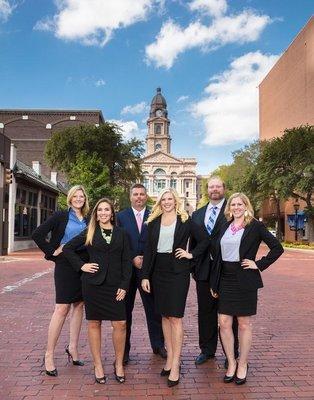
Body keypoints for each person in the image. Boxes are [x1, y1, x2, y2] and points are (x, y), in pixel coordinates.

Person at [210, 193, 284, 385]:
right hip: (225, 278)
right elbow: (217, 256)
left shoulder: (255, 226)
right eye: (233, 204)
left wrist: (258, 264)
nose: (236, 207)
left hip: (244, 277)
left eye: (239, 204)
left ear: (246, 206)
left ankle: (242, 364)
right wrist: (214, 282)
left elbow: (277, 247)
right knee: (224, 322)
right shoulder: (224, 226)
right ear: (229, 208)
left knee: (244, 323)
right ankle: (231, 363)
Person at [141, 188, 209, 387]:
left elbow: (205, 240)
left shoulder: (186, 220)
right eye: (164, 199)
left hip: (178, 272)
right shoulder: (153, 222)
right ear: (160, 202)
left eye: (170, 199)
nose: (167, 202)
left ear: (175, 201)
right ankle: (170, 358)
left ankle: (177, 364)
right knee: (164, 315)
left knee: (176, 317)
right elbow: (148, 250)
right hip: (157, 272)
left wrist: (191, 255)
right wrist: (145, 275)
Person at [63, 198, 131, 384]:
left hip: (116, 286)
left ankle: (118, 364)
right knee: (94, 324)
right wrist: (82, 266)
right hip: (93, 285)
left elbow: (127, 261)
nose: (103, 213)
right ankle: (98, 365)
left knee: (120, 324)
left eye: (106, 209)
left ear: (112, 213)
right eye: (100, 210)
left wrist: (124, 285)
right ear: (96, 213)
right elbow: (68, 249)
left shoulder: (122, 234)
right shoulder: (90, 232)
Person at [32, 185, 89, 376]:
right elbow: (37, 234)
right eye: (76, 196)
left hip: (83, 264)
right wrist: (51, 252)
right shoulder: (60, 216)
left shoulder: (89, 219)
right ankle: (49, 355)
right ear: (70, 198)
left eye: (82, 196)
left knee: (79, 305)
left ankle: (73, 348)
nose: (79, 199)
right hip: (65, 265)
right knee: (62, 308)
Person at [191, 176, 239, 366]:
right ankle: (207, 350)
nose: (215, 189)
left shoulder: (233, 211)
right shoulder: (197, 214)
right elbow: (193, 244)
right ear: (207, 189)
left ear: (224, 189)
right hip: (203, 271)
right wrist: (193, 268)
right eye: (211, 186)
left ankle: (231, 353)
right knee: (206, 312)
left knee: (229, 313)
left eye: (218, 186)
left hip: (227, 270)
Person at [116, 184, 165, 364]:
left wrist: (145, 259)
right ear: (130, 197)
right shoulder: (120, 216)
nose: (139, 197)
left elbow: (158, 240)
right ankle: (125, 351)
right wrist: (131, 259)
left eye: (142, 194)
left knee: (154, 310)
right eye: (135, 194)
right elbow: (118, 242)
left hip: (148, 271)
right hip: (127, 272)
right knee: (125, 311)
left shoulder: (155, 215)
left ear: (146, 196)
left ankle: (158, 345)